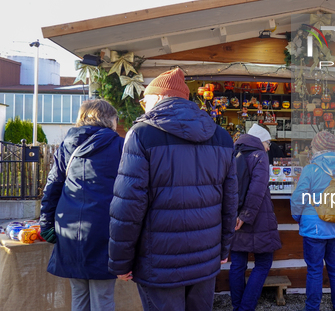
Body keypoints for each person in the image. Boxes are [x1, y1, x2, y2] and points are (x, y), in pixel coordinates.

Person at [108, 68, 238, 311]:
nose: (143, 106)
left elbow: (128, 205)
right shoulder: (221, 137)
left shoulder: (142, 134)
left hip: (158, 261)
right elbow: (230, 202)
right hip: (204, 257)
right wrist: (223, 249)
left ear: (158, 98)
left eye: (144, 100)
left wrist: (121, 262)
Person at [39, 99, 124, 311]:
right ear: (107, 118)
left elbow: (53, 186)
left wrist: (46, 223)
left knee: (78, 296)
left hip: (69, 229)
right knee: (103, 297)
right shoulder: (120, 145)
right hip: (105, 227)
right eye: (115, 118)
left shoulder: (66, 144)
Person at [291, 131, 335, 311]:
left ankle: (312, 308)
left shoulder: (310, 170)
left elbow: (298, 199)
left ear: (316, 147)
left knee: (314, 271)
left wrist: (298, 218)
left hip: (314, 228)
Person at [229, 123, 282, 311]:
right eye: (267, 143)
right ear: (260, 141)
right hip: (258, 218)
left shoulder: (233, 153)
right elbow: (257, 189)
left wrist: (236, 214)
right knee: (264, 263)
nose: (269, 147)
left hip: (235, 219)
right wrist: (246, 214)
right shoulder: (260, 156)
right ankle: (246, 307)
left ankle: (238, 306)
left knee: (237, 265)